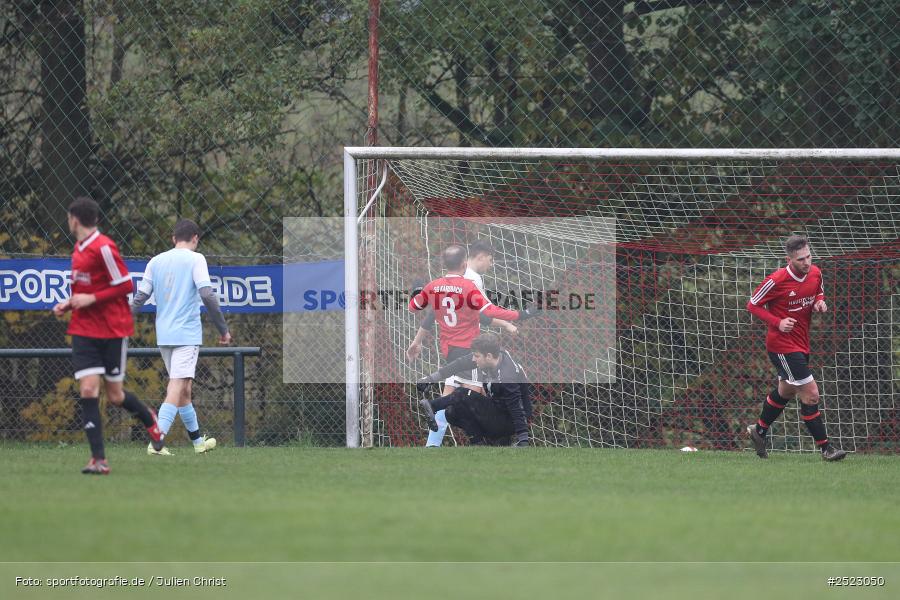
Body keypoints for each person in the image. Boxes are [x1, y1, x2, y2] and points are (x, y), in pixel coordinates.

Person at [52, 196, 164, 475]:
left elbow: (125, 284)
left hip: (113, 329)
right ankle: (98, 459)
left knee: (114, 395)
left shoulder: (103, 247)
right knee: (89, 388)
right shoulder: (78, 249)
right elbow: (85, 290)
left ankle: (149, 418)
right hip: (84, 330)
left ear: (74, 219)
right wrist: (71, 302)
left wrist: (91, 298)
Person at [407, 244, 539, 446]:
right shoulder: (469, 285)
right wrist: (522, 315)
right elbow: (489, 311)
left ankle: (442, 443)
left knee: (454, 396)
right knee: (472, 396)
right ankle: (495, 440)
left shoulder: (433, 286)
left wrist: (417, 292)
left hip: (449, 350)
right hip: (470, 350)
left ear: (444, 264)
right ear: (464, 263)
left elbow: (415, 307)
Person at [131, 219, 231, 455]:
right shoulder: (196, 259)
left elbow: (140, 297)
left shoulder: (155, 261)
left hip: (164, 334)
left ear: (173, 238)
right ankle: (157, 441)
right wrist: (223, 329)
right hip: (186, 334)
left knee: (184, 389)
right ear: (195, 238)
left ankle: (198, 443)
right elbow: (207, 294)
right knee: (176, 385)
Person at [745, 235, 846, 461]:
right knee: (811, 395)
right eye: (801, 259)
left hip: (801, 342)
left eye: (809, 256)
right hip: (781, 346)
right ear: (789, 259)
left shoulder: (816, 273)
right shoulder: (776, 280)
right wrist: (777, 322)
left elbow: (818, 291)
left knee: (786, 391)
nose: (807, 262)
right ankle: (826, 449)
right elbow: (752, 305)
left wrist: (820, 302)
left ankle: (759, 431)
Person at [416, 333, 531, 446]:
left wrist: (523, 440)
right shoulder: (493, 357)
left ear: (489, 356)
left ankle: (433, 405)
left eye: (476, 356)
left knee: (462, 394)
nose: (473, 359)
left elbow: (516, 407)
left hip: (509, 421)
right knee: (452, 412)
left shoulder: (507, 376)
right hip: (498, 410)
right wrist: (430, 379)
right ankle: (479, 444)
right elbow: (458, 365)